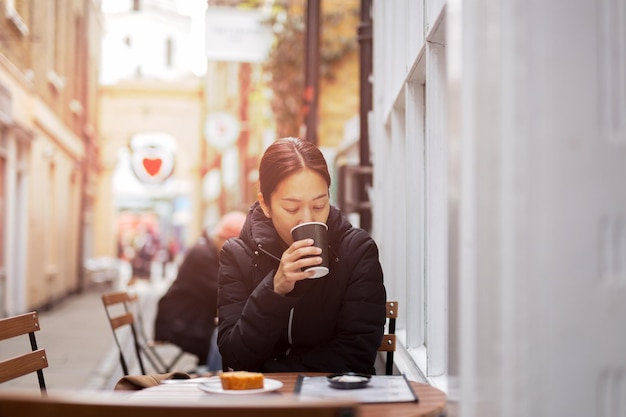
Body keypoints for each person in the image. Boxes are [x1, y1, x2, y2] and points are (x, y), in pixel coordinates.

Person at [217, 137, 387, 374]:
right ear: (265, 205)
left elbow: (356, 354)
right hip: (261, 403)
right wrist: (275, 290)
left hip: (331, 401)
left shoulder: (356, 251)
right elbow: (236, 354)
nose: (307, 219)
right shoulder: (238, 256)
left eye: (319, 205)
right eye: (292, 208)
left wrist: (274, 371)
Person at [154, 211, 246, 367]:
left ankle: (211, 370)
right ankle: (213, 375)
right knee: (225, 339)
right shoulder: (201, 255)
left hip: (191, 320)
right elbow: (222, 292)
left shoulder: (209, 251)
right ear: (226, 240)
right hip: (179, 323)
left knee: (228, 335)